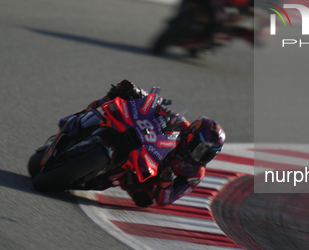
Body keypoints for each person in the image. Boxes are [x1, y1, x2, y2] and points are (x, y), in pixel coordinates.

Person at [59, 80, 226, 208]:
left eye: (207, 155)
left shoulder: (195, 173)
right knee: (116, 96)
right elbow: (156, 103)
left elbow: (165, 201)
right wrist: (136, 91)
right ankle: (79, 117)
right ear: (192, 136)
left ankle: (101, 175)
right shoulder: (180, 123)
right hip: (143, 142)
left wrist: (166, 181)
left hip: (147, 172)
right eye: (200, 150)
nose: (200, 157)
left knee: (144, 199)